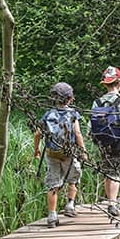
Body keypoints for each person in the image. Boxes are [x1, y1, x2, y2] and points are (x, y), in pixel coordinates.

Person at [33, 82, 87, 227]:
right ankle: (70, 205)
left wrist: (36, 149)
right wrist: (83, 151)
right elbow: (77, 133)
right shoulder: (73, 114)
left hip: (52, 153)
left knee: (53, 184)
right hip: (69, 153)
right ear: (70, 98)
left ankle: (52, 215)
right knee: (73, 179)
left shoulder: (48, 114)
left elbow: (38, 133)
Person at [91, 66, 120, 217]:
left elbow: (90, 123)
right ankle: (113, 203)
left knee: (108, 171)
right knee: (116, 172)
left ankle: (110, 200)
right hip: (118, 140)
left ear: (105, 84)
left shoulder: (97, 102)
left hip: (102, 140)